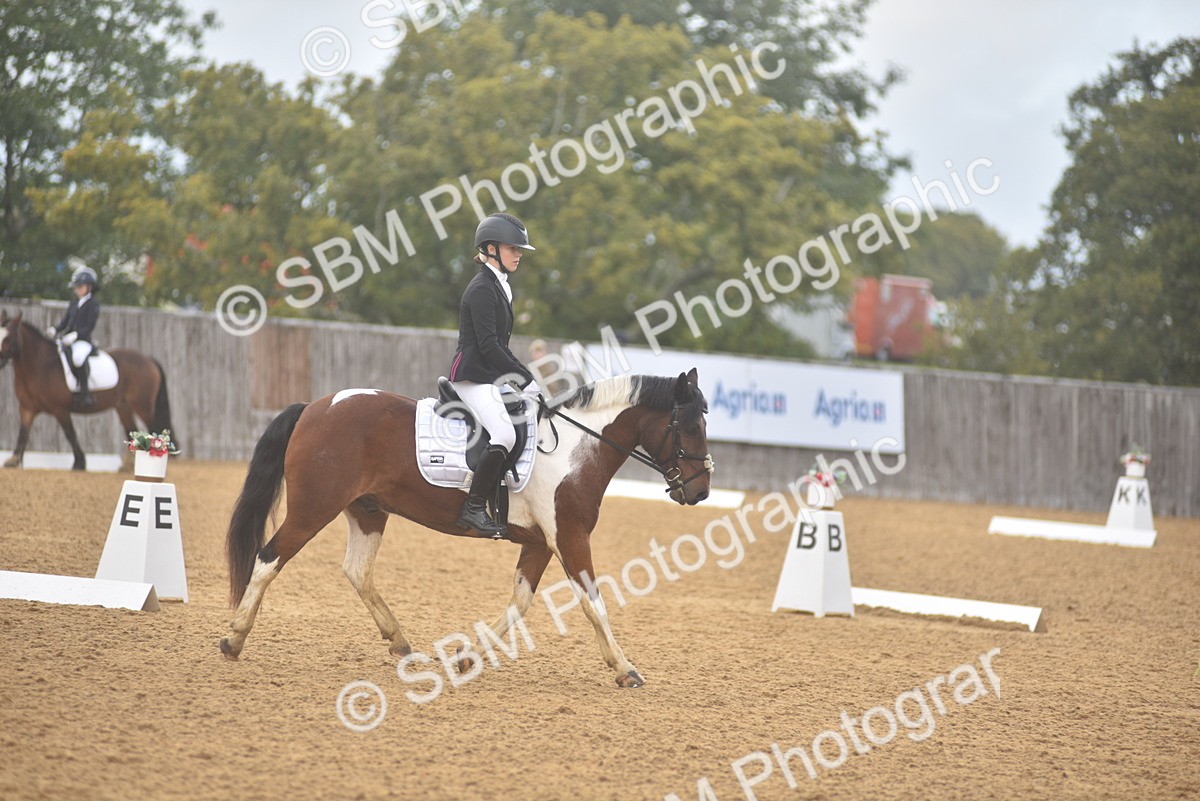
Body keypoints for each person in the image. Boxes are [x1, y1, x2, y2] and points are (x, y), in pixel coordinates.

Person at [448, 213, 541, 537]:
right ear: (490, 249)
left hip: (488, 376)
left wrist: (519, 377)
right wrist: (525, 377)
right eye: (512, 248)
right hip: (473, 376)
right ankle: (473, 509)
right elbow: (488, 346)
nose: (518, 254)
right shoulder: (483, 289)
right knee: (504, 434)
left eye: (520, 249)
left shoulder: (500, 286)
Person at [47, 266, 100, 409]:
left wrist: (76, 335)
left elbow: (89, 326)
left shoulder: (93, 304)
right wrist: (55, 329)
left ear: (89, 287)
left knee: (78, 358)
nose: (77, 289)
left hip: (83, 341)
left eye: (80, 286)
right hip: (68, 338)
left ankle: (85, 393)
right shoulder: (74, 302)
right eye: (76, 287)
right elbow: (65, 321)